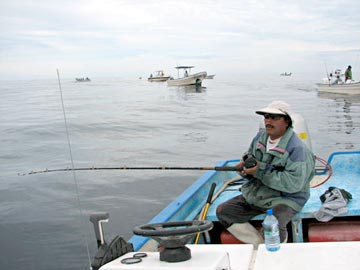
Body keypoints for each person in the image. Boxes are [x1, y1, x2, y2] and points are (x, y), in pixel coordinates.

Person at [216, 101, 315, 248]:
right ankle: (259, 245)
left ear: (286, 122)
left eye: (274, 117)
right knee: (224, 211)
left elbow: (293, 184)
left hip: (287, 197)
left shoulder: (298, 150)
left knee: (272, 226)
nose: (268, 121)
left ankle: (275, 252)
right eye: (266, 116)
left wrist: (259, 171)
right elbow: (250, 159)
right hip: (259, 193)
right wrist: (244, 169)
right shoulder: (259, 138)